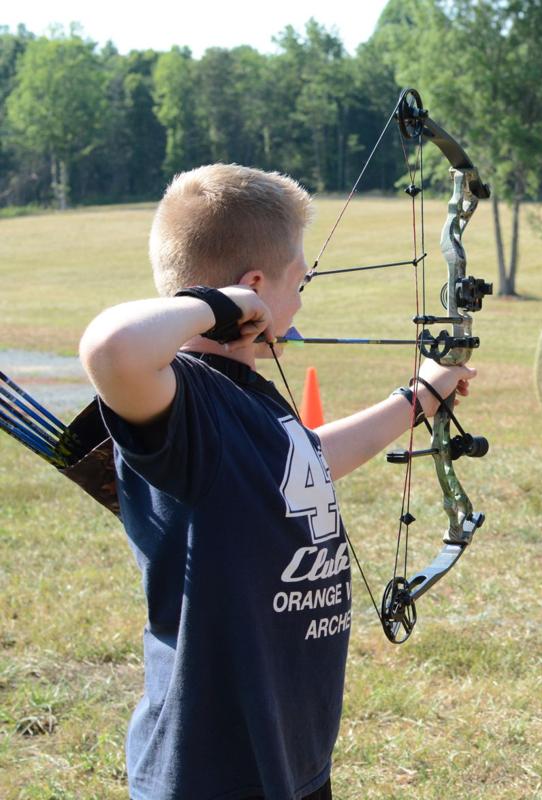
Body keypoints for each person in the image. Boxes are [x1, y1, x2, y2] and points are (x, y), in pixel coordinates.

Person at [79, 163, 475, 799]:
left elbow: (303, 463)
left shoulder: (252, 397)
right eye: (298, 282)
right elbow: (108, 349)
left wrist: (418, 399)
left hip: (287, 752)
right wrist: (218, 306)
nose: (300, 301)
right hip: (209, 769)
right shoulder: (182, 404)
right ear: (254, 289)